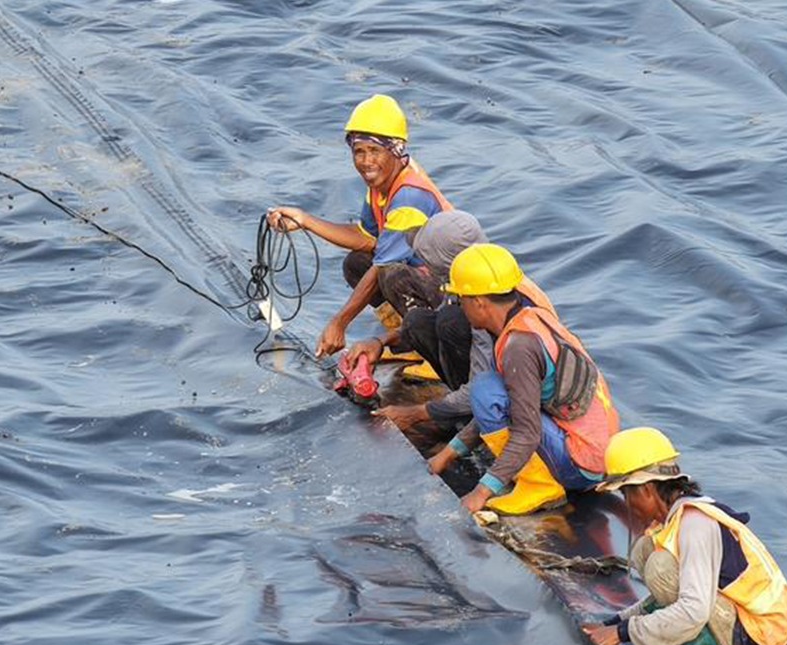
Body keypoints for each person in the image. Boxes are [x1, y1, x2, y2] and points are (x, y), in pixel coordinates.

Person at [582, 427, 787, 645]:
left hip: (755, 640)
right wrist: (615, 621)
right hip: (738, 622)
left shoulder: (695, 524)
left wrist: (621, 633)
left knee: (660, 566)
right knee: (646, 550)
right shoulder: (676, 518)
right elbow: (664, 598)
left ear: (647, 489)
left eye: (626, 494)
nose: (627, 504)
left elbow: (693, 609)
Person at [425, 244, 621, 514]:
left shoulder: (519, 346)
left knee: (484, 389)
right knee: (490, 390)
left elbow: (525, 430)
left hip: (583, 466)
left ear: (479, 302)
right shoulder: (532, 317)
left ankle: (539, 486)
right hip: (603, 455)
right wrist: (448, 454)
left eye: (461, 300)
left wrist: (482, 491)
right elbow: (502, 404)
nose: (461, 309)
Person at [264, 94, 452, 358]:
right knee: (356, 263)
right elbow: (366, 238)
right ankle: (410, 339)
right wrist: (304, 221)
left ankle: (435, 350)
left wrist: (339, 323)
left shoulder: (409, 197)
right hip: (427, 279)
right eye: (359, 151)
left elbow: (382, 266)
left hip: (456, 299)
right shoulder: (382, 185)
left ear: (396, 149)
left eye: (374, 151)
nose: (365, 162)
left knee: (390, 274)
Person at [341, 209, 483, 431]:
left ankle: (467, 412)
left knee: (448, 321)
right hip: (478, 378)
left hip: (494, 389)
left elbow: (490, 383)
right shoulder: (460, 284)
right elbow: (434, 315)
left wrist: (418, 413)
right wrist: (380, 342)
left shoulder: (486, 305)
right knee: (419, 320)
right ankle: (459, 405)